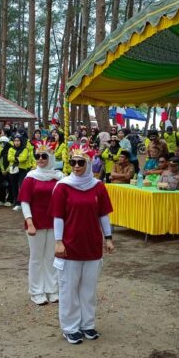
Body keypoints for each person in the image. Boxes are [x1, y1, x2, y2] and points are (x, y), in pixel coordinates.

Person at [50, 144, 114, 344]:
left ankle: (87, 324)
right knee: (69, 288)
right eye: (73, 162)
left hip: (92, 244)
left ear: (88, 164)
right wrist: (58, 241)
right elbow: (58, 216)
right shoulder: (62, 186)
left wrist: (108, 238)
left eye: (80, 162)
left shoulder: (98, 186)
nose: (76, 166)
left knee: (88, 289)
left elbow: (103, 213)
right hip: (70, 244)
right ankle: (70, 327)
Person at [16, 141, 65, 306]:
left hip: (54, 222)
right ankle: (36, 290)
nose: (41, 159)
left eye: (44, 156)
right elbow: (25, 201)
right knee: (36, 257)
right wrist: (29, 221)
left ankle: (52, 288)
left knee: (52, 256)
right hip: (35, 222)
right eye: (38, 156)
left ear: (50, 157)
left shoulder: (59, 177)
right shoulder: (31, 177)